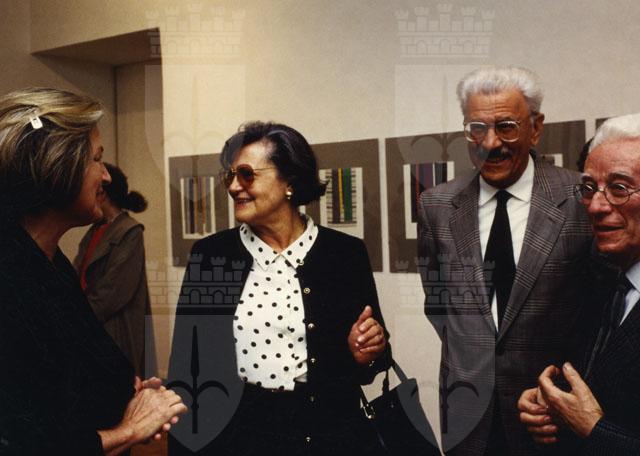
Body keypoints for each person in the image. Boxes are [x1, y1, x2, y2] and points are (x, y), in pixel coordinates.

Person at [167, 121, 391, 455]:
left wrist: (366, 354)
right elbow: (187, 370)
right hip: (236, 442)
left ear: (290, 181)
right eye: (230, 176)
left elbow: (376, 358)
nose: (234, 187)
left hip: (327, 439)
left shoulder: (344, 254)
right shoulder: (212, 257)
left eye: (247, 174)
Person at [0, 87, 186, 455]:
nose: (106, 176)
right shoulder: (11, 281)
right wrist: (130, 430)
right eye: (97, 160)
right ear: (58, 167)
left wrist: (131, 398)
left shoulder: (49, 263)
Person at [417, 66, 593, 455]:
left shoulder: (579, 199)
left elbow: (601, 312)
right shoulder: (437, 206)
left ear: (536, 128)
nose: (491, 143)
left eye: (507, 127)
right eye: (477, 128)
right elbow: (439, 306)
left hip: (552, 413)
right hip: (467, 412)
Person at [518, 113, 640, 455]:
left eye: (619, 188)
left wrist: (593, 428)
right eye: (588, 188)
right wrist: (548, 404)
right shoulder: (599, 281)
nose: (596, 206)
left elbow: (593, 420)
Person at [74, 162, 152, 376]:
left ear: (103, 194)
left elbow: (115, 290)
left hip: (114, 330)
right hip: (90, 326)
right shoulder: (95, 229)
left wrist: (78, 317)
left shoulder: (130, 231)